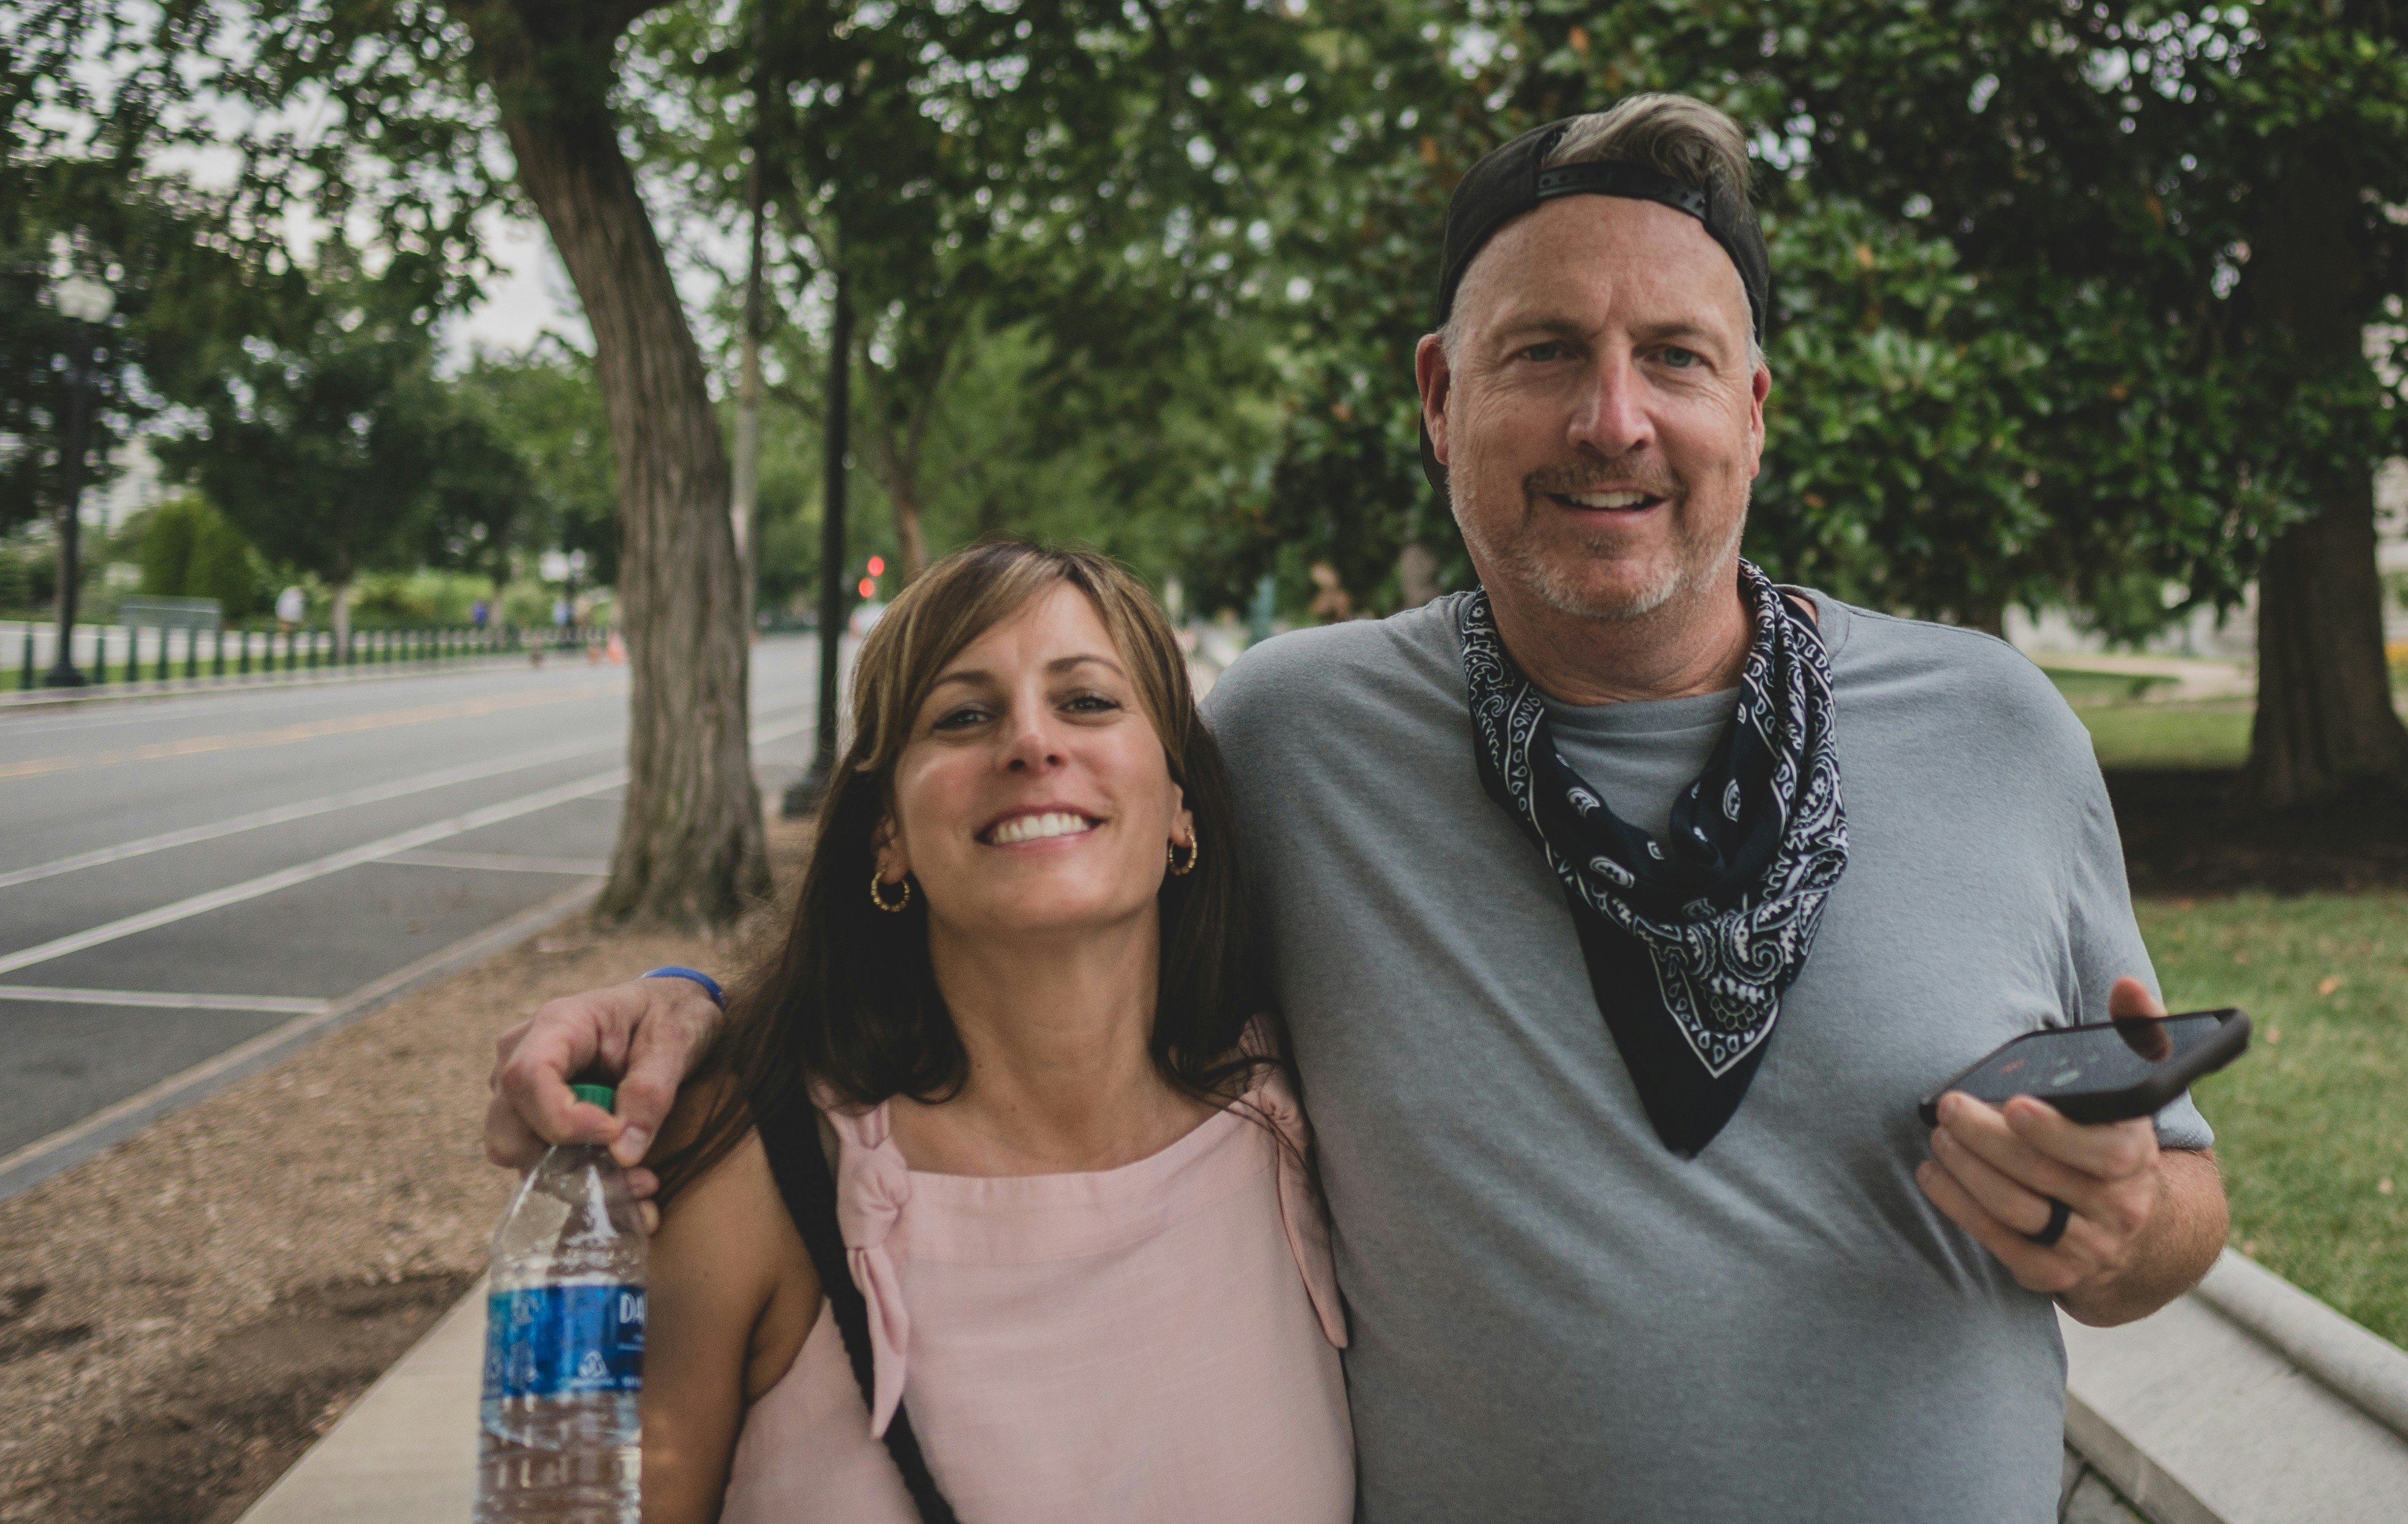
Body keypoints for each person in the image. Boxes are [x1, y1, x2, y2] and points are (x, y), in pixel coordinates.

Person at [490, 94, 2228, 1519]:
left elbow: (2174, 1208)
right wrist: (695, 1011)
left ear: (1752, 409)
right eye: (1542, 349)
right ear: (1436, 396)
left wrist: (2136, 1225)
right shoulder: (1294, 733)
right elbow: (1015, 892)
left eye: (1674, 359)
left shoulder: (1992, 722)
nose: (1609, 417)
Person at [628, 542, 1349, 1522]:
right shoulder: (748, 1172)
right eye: (963, 715)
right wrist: (676, 998)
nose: (1031, 743)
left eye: (1088, 701)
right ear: (886, 833)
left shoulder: (1307, 1108)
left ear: (1181, 804)